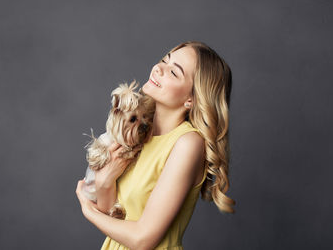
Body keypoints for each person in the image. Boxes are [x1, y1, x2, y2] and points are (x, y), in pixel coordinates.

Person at [76, 41, 235, 250]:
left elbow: (143, 240)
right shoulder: (138, 132)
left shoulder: (188, 143)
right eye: (164, 60)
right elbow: (114, 217)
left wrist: (88, 211)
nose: (158, 68)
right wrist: (105, 182)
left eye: (174, 72)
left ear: (191, 100)